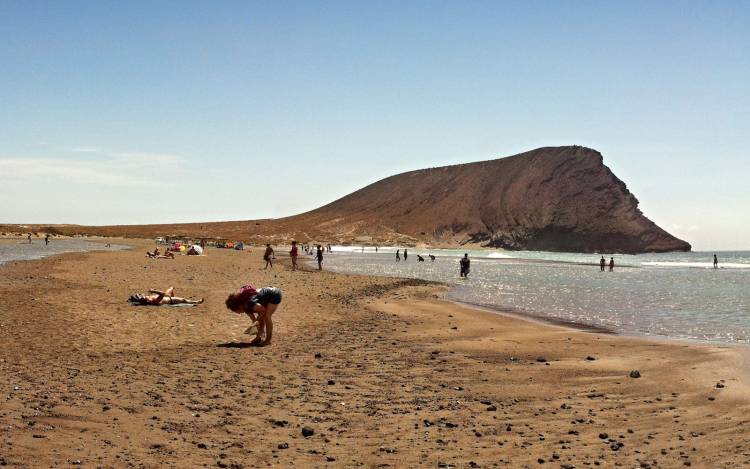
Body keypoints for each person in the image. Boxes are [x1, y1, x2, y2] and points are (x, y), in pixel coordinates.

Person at [128, 286, 203, 306]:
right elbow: (162, 294)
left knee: (171, 288)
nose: (144, 295)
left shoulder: (149, 299)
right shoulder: (154, 301)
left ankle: (173, 293)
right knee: (184, 300)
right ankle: (196, 302)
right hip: (171, 301)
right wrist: (153, 290)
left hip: (168, 298)